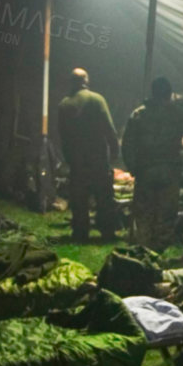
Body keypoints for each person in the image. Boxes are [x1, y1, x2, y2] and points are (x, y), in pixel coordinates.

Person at [120, 77, 183, 250]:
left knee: (144, 213)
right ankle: (159, 250)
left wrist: (132, 167)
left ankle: (143, 248)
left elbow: (127, 143)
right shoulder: (176, 113)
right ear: (168, 94)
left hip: (145, 170)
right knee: (166, 213)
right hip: (169, 169)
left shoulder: (138, 114)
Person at [55, 67, 121, 241]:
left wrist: (68, 157)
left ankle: (80, 231)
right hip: (98, 156)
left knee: (79, 197)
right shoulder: (96, 99)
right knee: (104, 196)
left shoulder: (64, 105)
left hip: (77, 159)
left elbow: (63, 136)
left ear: (72, 83)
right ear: (86, 81)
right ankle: (107, 230)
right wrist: (114, 150)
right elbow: (109, 128)